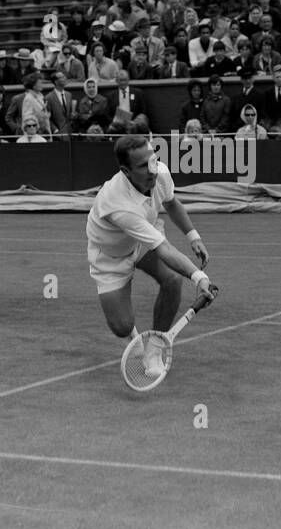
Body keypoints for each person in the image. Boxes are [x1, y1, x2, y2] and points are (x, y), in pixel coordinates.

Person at [86, 135, 218, 378]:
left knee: (172, 280)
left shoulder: (160, 173)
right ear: (125, 171)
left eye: (154, 161)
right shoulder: (118, 204)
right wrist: (199, 277)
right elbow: (164, 249)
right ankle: (132, 334)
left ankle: (154, 348)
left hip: (143, 237)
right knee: (121, 327)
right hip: (111, 257)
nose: (152, 170)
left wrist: (193, 236)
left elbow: (171, 202)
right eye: (142, 166)